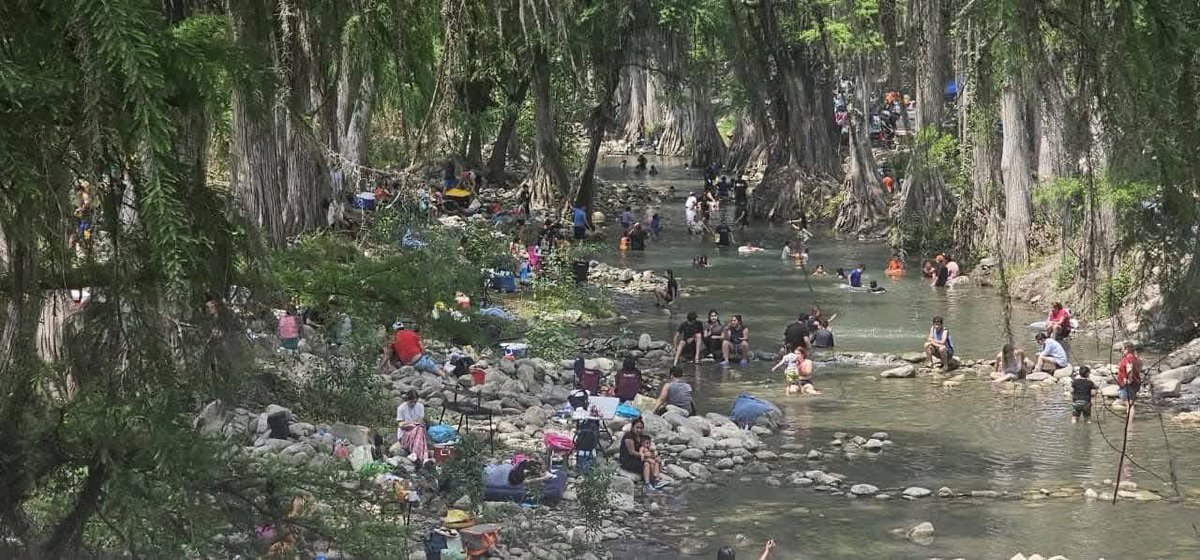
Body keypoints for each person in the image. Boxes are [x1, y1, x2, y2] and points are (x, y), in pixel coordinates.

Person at [620, 418, 668, 491]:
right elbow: (632, 452)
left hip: (639, 458)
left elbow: (648, 447)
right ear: (632, 427)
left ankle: (655, 481)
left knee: (656, 461)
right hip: (628, 460)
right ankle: (647, 484)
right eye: (637, 427)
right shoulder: (629, 437)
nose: (639, 430)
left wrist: (653, 454)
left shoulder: (642, 437)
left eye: (641, 428)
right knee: (647, 464)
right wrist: (646, 456)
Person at [396, 390, 429, 463]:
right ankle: (424, 457)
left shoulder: (420, 406)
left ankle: (414, 453)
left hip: (417, 430)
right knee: (419, 429)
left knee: (419, 428)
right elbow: (400, 424)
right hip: (405, 433)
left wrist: (414, 425)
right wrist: (409, 424)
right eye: (411, 402)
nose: (413, 404)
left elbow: (420, 420)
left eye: (415, 402)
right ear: (407, 400)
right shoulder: (401, 408)